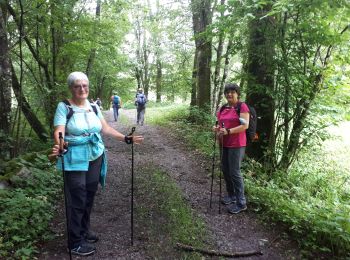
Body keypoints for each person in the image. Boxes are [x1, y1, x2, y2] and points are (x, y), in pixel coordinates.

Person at [49, 72, 143, 256]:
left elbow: (105, 128)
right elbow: (59, 130)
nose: (82, 89)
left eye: (85, 85)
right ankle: (75, 242)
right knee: (77, 197)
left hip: (95, 153)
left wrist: (125, 138)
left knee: (90, 194)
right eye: (78, 86)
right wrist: (60, 144)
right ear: (71, 88)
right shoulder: (64, 106)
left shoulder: (93, 106)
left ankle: (84, 230)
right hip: (74, 155)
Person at [213, 83, 249, 214]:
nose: (229, 94)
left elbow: (245, 126)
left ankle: (241, 202)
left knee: (234, 172)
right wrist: (217, 129)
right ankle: (232, 195)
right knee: (226, 170)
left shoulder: (242, 106)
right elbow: (220, 124)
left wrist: (228, 131)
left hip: (237, 144)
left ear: (237, 94)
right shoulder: (223, 108)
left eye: (232, 92)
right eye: (227, 92)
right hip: (224, 143)